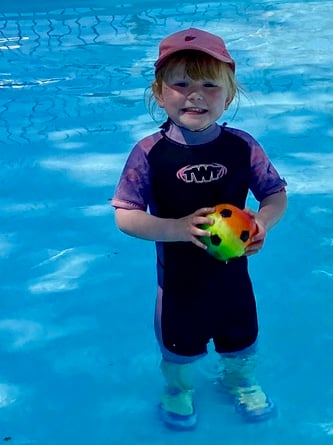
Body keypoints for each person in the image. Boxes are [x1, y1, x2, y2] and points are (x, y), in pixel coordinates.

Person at [111, 28, 287, 430]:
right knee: (179, 352)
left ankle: (241, 384)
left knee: (242, 342)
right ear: (159, 94)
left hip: (234, 280)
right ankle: (177, 390)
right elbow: (125, 216)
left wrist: (261, 222)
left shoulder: (243, 147)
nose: (195, 94)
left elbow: (275, 195)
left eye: (210, 84)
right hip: (178, 285)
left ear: (229, 95)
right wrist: (176, 228)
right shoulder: (149, 153)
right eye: (181, 83)